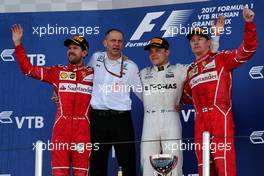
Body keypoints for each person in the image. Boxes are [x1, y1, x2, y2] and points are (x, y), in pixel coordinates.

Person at [140, 16, 224, 176]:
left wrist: (215, 39)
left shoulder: (181, 70)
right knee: (147, 162)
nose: (154, 54)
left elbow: (205, 62)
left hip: (171, 118)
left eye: (158, 50)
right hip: (149, 120)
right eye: (151, 51)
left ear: (167, 51)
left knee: (174, 163)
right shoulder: (142, 74)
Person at [183, 7, 257, 175]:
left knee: (224, 163)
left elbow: (247, 50)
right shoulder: (190, 70)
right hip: (200, 120)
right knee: (204, 167)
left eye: (200, 38)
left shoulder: (221, 59)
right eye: (192, 40)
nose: (195, 42)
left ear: (209, 42)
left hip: (220, 117)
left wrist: (249, 24)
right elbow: (186, 96)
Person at [11, 24, 93, 176]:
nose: (71, 51)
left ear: (85, 52)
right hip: (61, 130)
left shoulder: (93, 73)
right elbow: (28, 69)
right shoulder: (57, 71)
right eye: (69, 48)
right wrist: (18, 44)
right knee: (59, 173)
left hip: (83, 131)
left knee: (81, 174)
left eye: (75, 48)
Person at [88, 29, 142, 176]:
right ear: (105, 43)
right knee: (96, 163)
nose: (116, 44)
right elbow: (83, 79)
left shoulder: (131, 66)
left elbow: (142, 92)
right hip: (98, 120)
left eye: (120, 41)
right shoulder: (95, 58)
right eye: (113, 40)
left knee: (127, 163)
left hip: (121, 120)